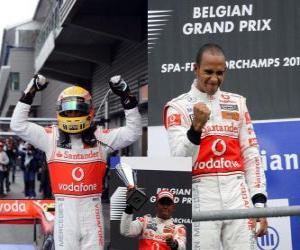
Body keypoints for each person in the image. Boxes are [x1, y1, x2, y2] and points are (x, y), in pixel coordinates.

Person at [10, 74, 142, 250]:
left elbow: (133, 131)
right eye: (69, 111)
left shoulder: (100, 137)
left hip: (93, 212)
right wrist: (30, 90)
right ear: (60, 112)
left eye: (78, 111)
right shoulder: (50, 137)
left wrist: (126, 96)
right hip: (65, 213)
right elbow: (17, 124)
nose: (73, 115)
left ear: (89, 112)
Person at [164, 43, 268, 250]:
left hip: (237, 191)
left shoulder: (237, 103)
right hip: (201, 191)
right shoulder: (177, 107)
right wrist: (195, 129)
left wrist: (259, 205)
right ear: (196, 69)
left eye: (220, 73)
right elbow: (178, 159)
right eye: (208, 72)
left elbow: (251, 154)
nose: (214, 79)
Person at [120, 189, 186, 250]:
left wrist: (173, 243)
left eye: (168, 204)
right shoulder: (145, 221)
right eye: (162, 203)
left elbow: (182, 247)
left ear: (173, 207)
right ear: (156, 206)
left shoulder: (178, 229)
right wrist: (129, 207)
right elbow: (125, 231)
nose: (165, 206)